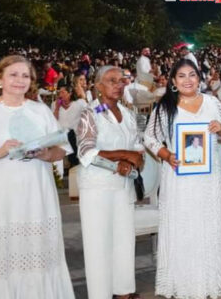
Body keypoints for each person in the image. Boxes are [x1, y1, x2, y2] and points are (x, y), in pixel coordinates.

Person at [0, 55, 75, 298]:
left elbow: (61, 150)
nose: (19, 80)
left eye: (25, 75)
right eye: (13, 74)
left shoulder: (40, 110)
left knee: (37, 254)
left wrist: (46, 154)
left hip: (36, 194)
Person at [144, 59, 221, 298]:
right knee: (182, 227)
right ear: (173, 81)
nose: (188, 80)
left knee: (206, 226)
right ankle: (182, 284)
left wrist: (220, 128)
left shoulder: (212, 103)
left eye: (192, 75)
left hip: (207, 179)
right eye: (181, 76)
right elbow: (150, 138)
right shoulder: (165, 108)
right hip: (178, 179)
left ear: (199, 78)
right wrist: (166, 154)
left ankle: (207, 282)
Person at [76, 65, 144, 299]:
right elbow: (86, 152)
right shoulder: (91, 112)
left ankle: (123, 292)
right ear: (98, 86)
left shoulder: (127, 114)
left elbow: (138, 149)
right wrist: (123, 156)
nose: (118, 84)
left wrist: (131, 163)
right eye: (111, 80)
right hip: (97, 188)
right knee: (99, 246)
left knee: (125, 242)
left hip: (122, 187)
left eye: (121, 80)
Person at [53, 84, 88, 167]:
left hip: (74, 134)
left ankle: (73, 162)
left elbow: (89, 111)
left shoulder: (79, 104)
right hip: (60, 134)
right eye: (59, 92)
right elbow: (53, 120)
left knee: (70, 134)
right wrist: (57, 108)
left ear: (70, 93)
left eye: (63, 92)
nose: (60, 95)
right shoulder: (55, 104)